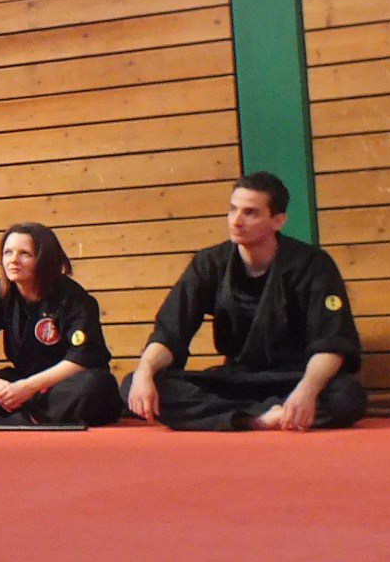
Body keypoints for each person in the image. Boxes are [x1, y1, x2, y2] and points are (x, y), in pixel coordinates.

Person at [125, 171, 366, 431]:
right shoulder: (209, 263)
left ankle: (257, 412)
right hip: (235, 379)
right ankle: (255, 418)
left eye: (250, 213)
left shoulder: (312, 265)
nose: (236, 221)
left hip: (293, 377)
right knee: (134, 384)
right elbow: (170, 332)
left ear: (278, 221)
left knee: (346, 396)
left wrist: (306, 391)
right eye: (233, 209)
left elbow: (331, 342)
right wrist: (144, 372)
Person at [0, 224, 123, 426]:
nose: (13, 260)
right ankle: (34, 416)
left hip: (61, 383)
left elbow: (83, 357)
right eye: (8, 252)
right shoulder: (0, 293)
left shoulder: (73, 298)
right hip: (22, 381)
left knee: (96, 385)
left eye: (24, 254)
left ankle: (16, 418)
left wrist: (29, 388)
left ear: (43, 259)